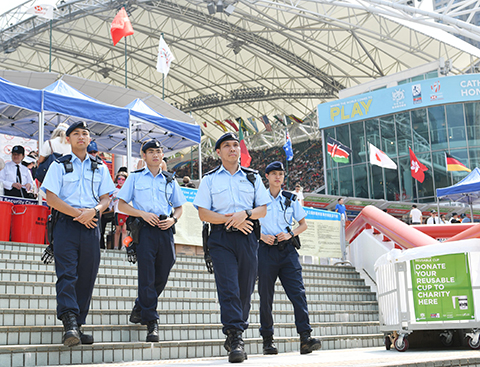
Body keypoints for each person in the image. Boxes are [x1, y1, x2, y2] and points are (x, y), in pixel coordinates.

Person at [193, 132, 270, 363]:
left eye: (236, 145)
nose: (233, 149)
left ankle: (237, 328)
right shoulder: (209, 179)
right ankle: (235, 336)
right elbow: (203, 213)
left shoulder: (253, 177)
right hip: (220, 239)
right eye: (227, 146)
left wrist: (244, 214)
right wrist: (230, 219)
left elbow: (262, 209)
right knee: (228, 287)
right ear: (218, 152)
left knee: (245, 289)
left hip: (247, 237)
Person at [41, 121, 115, 347]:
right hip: (66, 225)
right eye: (76, 134)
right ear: (68, 139)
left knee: (87, 275)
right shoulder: (58, 165)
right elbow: (51, 198)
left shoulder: (100, 167)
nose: (81, 137)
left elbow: (106, 199)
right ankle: (69, 322)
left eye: (85, 133)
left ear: (90, 139)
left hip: (92, 225)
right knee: (67, 274)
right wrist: (77, 213)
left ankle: (78, 325)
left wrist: (93, 211)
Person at [117, 139, 186, 342]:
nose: (156, 155)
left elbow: (180, 206)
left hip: (165, 229)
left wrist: (174, 218)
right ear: (144, 156)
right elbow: (121, 204)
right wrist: (142, 214)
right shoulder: (135, 178)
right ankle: (151, 321)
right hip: (145, 230)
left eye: (158, 151)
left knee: (165, 268)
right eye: (151, 152)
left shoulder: (169, 179)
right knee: (147, 275)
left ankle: (140, 305)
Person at [258, 161, 321, 356]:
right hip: (265, 250)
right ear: (267, 177)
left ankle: (305, 338)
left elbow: (303, 224)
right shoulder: (257, 199)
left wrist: (291, 234)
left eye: (281, 174)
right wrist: (261, 235)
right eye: (274, 174)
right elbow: (250, 222)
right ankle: (268, 340)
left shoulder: (290, 198)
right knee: (266, 298)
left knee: (298, 294)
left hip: (287, 251)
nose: (278, 177)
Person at [111, 171, 129, 249]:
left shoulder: (128, 190)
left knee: (125, 230)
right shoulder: (114, 190)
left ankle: (123, 246)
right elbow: (110, 201)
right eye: (119, 179)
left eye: (123, 179)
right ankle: (115, 246)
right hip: (118, 212)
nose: (121, 181)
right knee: (118, 230)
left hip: (127, 211)